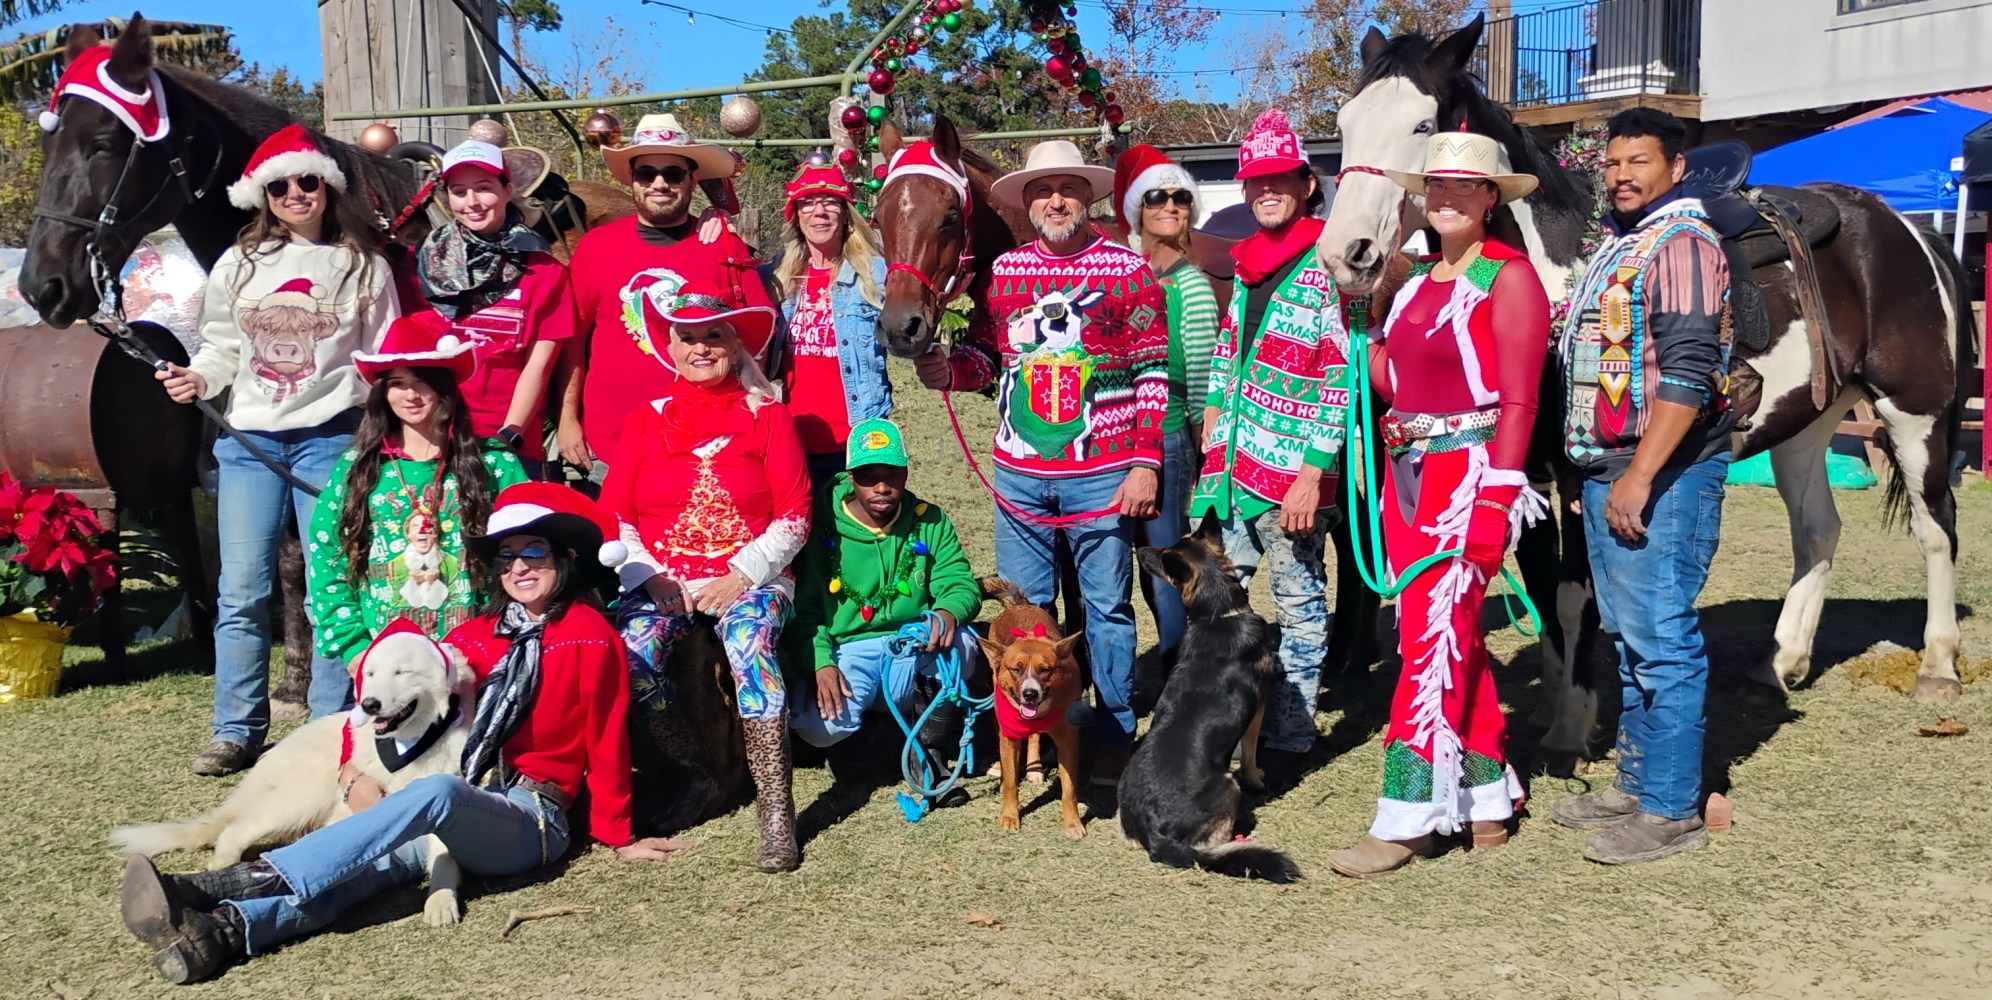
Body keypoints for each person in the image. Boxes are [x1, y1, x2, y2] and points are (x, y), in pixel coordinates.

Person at [117, 484, 685, 984]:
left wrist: (618, 833)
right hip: (459, 804)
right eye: (506, 556)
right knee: (367, 864)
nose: (519, 567)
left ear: (566, 559)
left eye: (533, 552)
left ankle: (217, 886)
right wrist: (351, 768)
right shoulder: (481, 635)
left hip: (531, 816)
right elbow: (383, 696)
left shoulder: (587, 635)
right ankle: (220, 933)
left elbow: (606, 735)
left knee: (434, 793)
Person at [1326, 130, 1550, 878]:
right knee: (1453, 638)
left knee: (1424, 643)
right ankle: (1487, 801)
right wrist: (1361, 338)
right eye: (1436, 188)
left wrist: (1498, 497)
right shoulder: (1417, 280)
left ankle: (1407, 817)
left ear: (1491, 198)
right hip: (1407, 473)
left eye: (1464, 188)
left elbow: (1519, 398)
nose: (1447, 200)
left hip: (1468, 475)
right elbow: (1401, 383)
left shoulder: (1509, 279)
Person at [913, 140, 1168, 785]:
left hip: (1103, 472)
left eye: (1069, 188)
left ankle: (1110, 731)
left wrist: (1145, 463)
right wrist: (954, 371)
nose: (1056, 200)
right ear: (1026, 201)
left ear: (1088, 196)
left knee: (1106, 608)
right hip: (1021, 474)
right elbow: (995, 366)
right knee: (1026, 611)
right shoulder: (1005, 275)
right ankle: (1029, 732)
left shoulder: (1128, 270)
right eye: (1043, 190)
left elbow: (1153, 371)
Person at [155, 123, 399, 776]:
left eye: (308, 180)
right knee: (241, 590)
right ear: (263, 193)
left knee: (331, 590)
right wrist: (197, 378)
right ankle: (235, 730)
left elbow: (387, 355)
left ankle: (327, 727)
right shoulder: (239, 265)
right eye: (281, 184)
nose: (296, 193)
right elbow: (219, 344)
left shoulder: (363, 265)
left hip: (332, 442)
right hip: (249, 443)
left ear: (328, 188)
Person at [1551, 107, 1733, 865]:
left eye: (1639, 163)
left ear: (1676, 168)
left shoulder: (1684, 244)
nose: (1622, 175)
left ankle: (1669, 808)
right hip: (1611, 468)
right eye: (1614, 163)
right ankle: (1636, 782)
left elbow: (1689, 373)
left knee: (1662, 638)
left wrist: (1637, 476)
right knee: (1630, 640)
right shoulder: (1630, 243)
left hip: (1662, 472)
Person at [601, 283, 811, 872]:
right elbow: (617, 516)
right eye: (687, 338)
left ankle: (775, 811)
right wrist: (653, 578)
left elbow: (795, 514)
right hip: (662, 581)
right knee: (631, 658)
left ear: (735, 345)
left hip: (752, 577)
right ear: (668, 347)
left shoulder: (767, 416)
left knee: (751, 648)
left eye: (713, 336)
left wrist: (741, 575)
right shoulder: (647, 420)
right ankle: (700, 775)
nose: (700, 348)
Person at [1188, 109, 1345, 776]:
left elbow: (1341, 376)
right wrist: (1214, 416)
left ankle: (1289, 733)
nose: (1266, 190)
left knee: (1301, 605)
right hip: (1232, 468)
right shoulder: (1248, 265)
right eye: (1255, 181)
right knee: (1221, 604)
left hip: (1289, 474)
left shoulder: (1332, 261)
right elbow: (1229, 355)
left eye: (1279, 179)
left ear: (1306, 184)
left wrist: (1313, 474)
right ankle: (1221, 726)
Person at [308, 311, 529, 674]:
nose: (410, 395)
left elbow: (525, 547)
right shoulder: (358, 467)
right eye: (396, 383)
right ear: (383, 393)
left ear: (445, 388)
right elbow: (327, 552)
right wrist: (353, 646)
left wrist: (503, 632)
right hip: (386, 655)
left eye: (422, 382)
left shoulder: (494, 463)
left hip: (479, 648)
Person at [559, 113, 775, 474]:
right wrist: (567, 420)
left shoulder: (723, 244)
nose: (659, 183)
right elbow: (573, 341)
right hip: (609, 449)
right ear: (632, 179)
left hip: (704, 449)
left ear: (692, 179)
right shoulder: (595, 248)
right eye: (646, 173)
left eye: (673, 174)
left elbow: (758, 338)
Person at [788, 418, 981, 757]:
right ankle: (870, 731)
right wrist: (819, 663)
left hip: (911, 647)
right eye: (868, 476)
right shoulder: (820, 529)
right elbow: (804, 612)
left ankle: (928, 744)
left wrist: (948, 611)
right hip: (846, 652)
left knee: (962, 644)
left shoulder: (929, 521)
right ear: (850, 478)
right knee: (823, 730)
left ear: (906, 473)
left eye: (891, 474)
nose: (881, 487)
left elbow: (958, 581)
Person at [404, 139, 575, 477]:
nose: (472, 202)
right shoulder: (421, 265)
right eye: (459, 191)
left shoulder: (544, 271)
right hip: (432, 439)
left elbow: (537, 366)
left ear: (507, 189)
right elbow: (408, 356)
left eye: (484, 189)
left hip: (505, 443)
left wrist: (510, 432)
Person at [1111, 144, 1219, 665]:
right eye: (1158, 196)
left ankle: (1182, 664)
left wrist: (1203, 450)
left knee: (1165, 564)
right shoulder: (1120, 273)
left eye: (1181, 198)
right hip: (1112, 439)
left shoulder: (1191, 286)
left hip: (1168, 439)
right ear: (1137, 208)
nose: (1171, 206)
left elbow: (1200, 381)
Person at [764, 156, 894, 491]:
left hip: (857, 437)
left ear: (845, 212)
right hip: (792, 439)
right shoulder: (777, 279)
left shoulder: (876, 274)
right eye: (807, 203)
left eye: (829, 202)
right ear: (795, 216)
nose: (818, 212)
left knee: (857, 535)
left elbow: (910, 332)